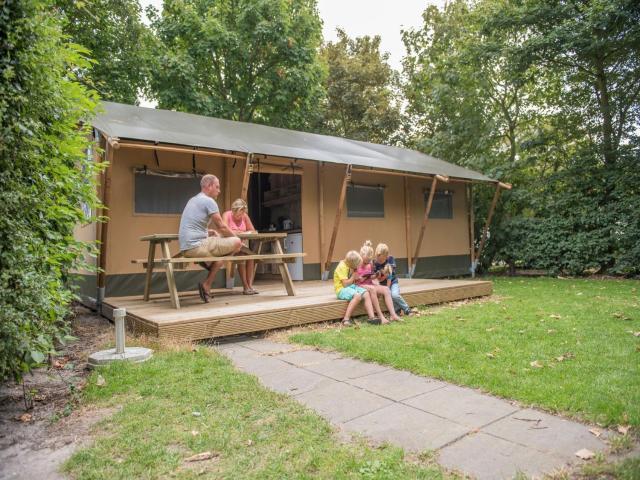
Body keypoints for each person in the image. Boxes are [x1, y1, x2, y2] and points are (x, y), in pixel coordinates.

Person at [179, 174, 242, 303]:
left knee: (220, 254)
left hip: (186, 247)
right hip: (197, 246)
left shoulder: (193, 200)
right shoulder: (209, 201)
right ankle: (207, 283)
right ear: (209, 186)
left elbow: (192, 226)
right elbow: (222, 227)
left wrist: (207, 231)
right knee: (236, 243)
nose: (219, 190)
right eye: (217, 187)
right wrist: (238, 240)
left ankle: (207, 284)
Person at [356, 240, 400, 323]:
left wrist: (376, 276)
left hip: (369, 283)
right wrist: (360, 278)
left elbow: (371, 276)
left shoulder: (370, 264)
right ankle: (381, 316)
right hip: (360, 285)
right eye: (365, 261)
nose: (367, 263)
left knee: (386, 289)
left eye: (368, 261)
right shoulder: (357, 264)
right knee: (372, 289)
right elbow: (354, 279)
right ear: (361, 256)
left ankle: (393, 315)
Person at [333, 250, 380, 326]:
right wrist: (353, 276)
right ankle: (346, 319)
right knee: (357, 296)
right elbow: (345, 285)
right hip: (341, 289)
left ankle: (372, 317)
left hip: (351, 286)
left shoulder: (349, 264)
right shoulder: (341, 267)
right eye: (356, 266)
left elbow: (351, 281)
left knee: (366, 293)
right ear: (352, 264)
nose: (357, 267)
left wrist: (358, 278)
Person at [222, 198, 258, 295]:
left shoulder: (244, 216)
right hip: (229, 245)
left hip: (242, 245)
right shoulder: (227, 215)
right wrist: (238, 233)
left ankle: (250, 286)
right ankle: (245, 287)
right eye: (239, 214)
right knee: (242, 254)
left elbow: (253, 231)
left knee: (251, 257)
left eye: (242, 213)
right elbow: (224, 231)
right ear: (233, 210)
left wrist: (243, 232)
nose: (240, 216)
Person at [373, 243, 418, 316]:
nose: (379, 262)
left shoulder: (390, 259)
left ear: (386, 257)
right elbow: (378, 278)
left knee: (395, 295)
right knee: (388, 295)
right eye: (378, 260)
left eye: (381, 261)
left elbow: (390, 275)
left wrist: (385, 277)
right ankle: (396, 311)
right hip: (382, 284)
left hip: (393, 282)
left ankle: (407, 310)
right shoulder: (375, 263)